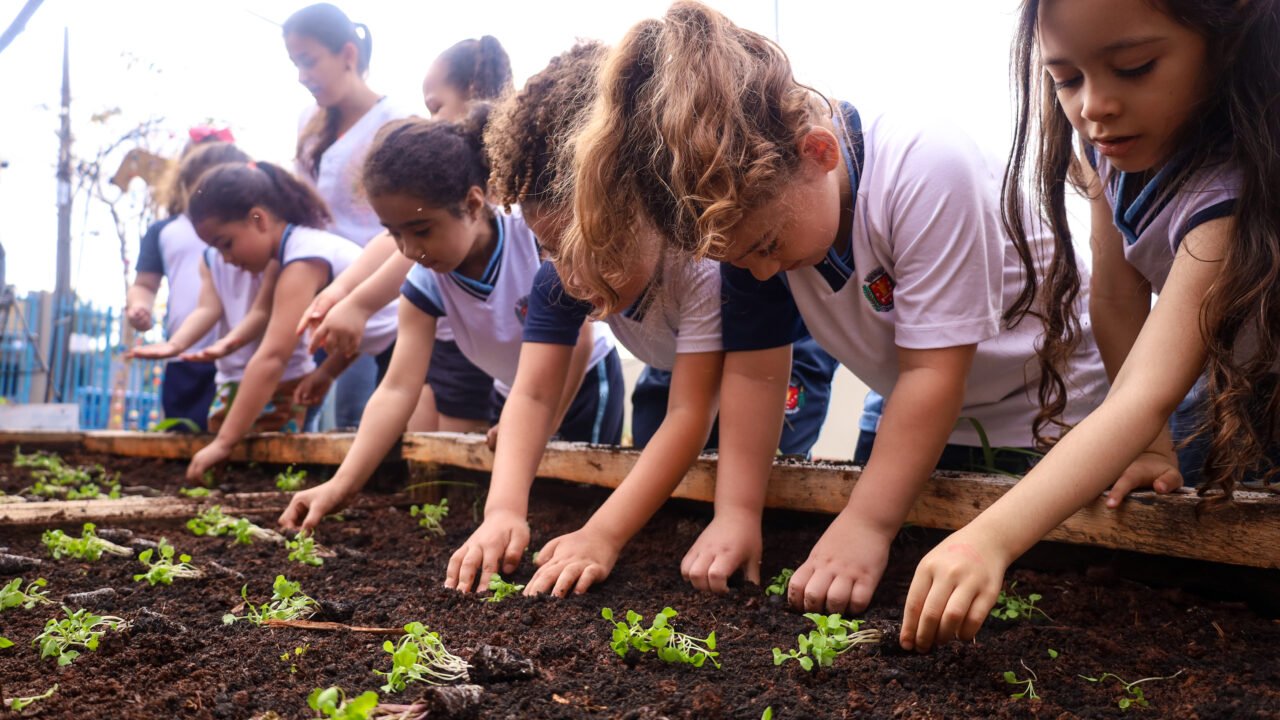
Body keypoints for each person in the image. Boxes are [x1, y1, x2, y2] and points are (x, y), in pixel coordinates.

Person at [552, 1, 1109, 607]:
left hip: (1057, 417)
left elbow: (932, 372)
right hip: (921, 421)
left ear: (818, 152)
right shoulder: (749, 228)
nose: (761, 271)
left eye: (766, 247)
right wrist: (738, 513)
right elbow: (758, 373)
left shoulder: (924, 165)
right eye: (741, 261)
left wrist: (866, 525)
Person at [901, 0, 1280, 653]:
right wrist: (1152, 446)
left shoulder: (1231, 196)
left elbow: (1145, 391)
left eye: (1134, 67)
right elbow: (1117, 294)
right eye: (1067, 78)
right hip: (1234, 373)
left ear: (1224, 44)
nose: (1094, 105)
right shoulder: (1112, 145)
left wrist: (989, 537)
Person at [277, 107, 623, 531]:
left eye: (421, 231)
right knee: (519, 499)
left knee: (574, 501)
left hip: (582, 384)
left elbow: (580, 341)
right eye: (395, 233)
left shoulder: (532, 239)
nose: (407, 249)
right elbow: (397, 388)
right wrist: (342, 484)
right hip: (513, 393)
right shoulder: (426, 282)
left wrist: (544, 428)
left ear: (473, 203)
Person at [298, 35, 515, 433]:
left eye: (436, 107)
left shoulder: (496, 185)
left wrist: (360, 303)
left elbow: (409, 252)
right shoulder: (425, 220)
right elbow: (396, 241)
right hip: (451, 337)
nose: (431, 120)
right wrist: (340, 292)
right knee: (433, 453)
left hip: (503, 348)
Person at [182, 161, 398, 480]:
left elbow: (273, 357)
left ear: (259, 219)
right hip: (391, 349)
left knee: (405, 459)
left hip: (412, 347)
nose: (226, 259)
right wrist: (327, 372)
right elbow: (358, 332)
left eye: (226, 243)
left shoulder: (302, 260)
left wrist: (224, 442)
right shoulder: (296, 251)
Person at [283, 3, 414, 428]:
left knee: (359, 418)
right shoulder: (306, 122)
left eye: (309, 60)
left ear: (347, 55)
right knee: (320, 422)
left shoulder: (395, 123)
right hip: (322, 297)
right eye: (295, 64)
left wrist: (358, 298)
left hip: (384, 297)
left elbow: (407, 231)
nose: (302, 75)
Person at [124, 137, 243, 430]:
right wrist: (139, 307)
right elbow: (145, 284)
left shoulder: (252, 226)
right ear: (185, 180)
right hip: (185, 356)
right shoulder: (164, 231)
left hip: (242, 353)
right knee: (183, 435)